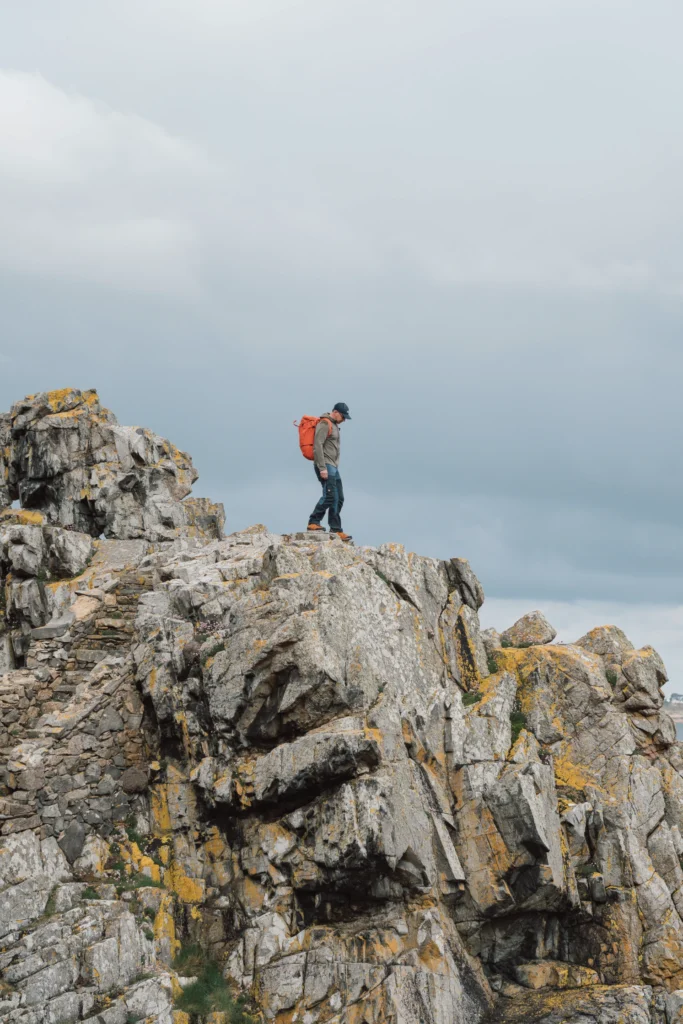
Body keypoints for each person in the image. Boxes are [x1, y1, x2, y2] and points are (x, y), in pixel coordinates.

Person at [307, 402, 352, 541]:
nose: (344, 420)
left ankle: (335, 529)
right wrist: (322, 468)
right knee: (330, 495)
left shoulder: (335, 426)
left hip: (333, 466)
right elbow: (317, 446)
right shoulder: (325, 424)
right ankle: (313, 522)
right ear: (335, 412)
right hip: (325, 465)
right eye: (343, 417)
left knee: (339, 498)